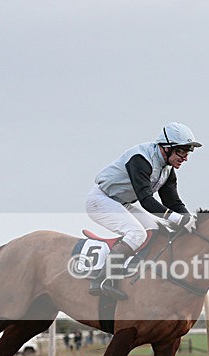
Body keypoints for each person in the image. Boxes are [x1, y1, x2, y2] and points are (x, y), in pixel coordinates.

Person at [84, 122, 201, 300]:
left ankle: (135, 272)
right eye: (182, 151)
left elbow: (172, 202)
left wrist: (189, 219)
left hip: (120, 203)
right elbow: (146, 201)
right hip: (100, 200)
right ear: (166, 148)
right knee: (137, 233)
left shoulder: (167, 170)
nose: (185, 158)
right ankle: (102, 280)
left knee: (155, 229)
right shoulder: (140, 159)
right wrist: (178, 220)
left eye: (188, 152)